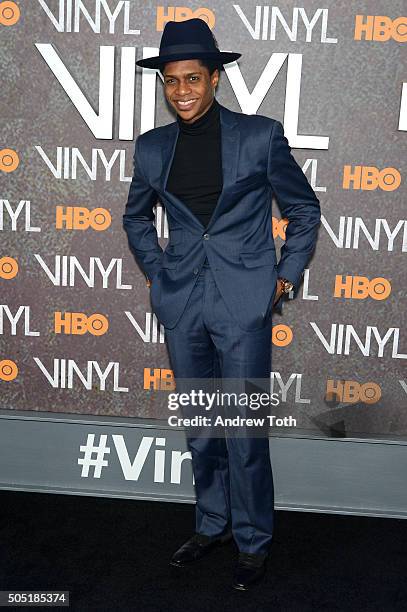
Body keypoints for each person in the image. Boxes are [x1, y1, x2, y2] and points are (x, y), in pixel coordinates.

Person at [123, 18, 321, 591]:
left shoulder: (259, 136)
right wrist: (160, 273)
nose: (181, 90)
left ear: (215, 78)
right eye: (170, 80)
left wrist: (281, 280)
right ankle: (212, 523)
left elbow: (304, 210)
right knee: (203, 427)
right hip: (182, 302)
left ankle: (254, 540)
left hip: (243, 304)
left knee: (242, 432)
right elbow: (136, 216)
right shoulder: (153, 146)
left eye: (192, 78)